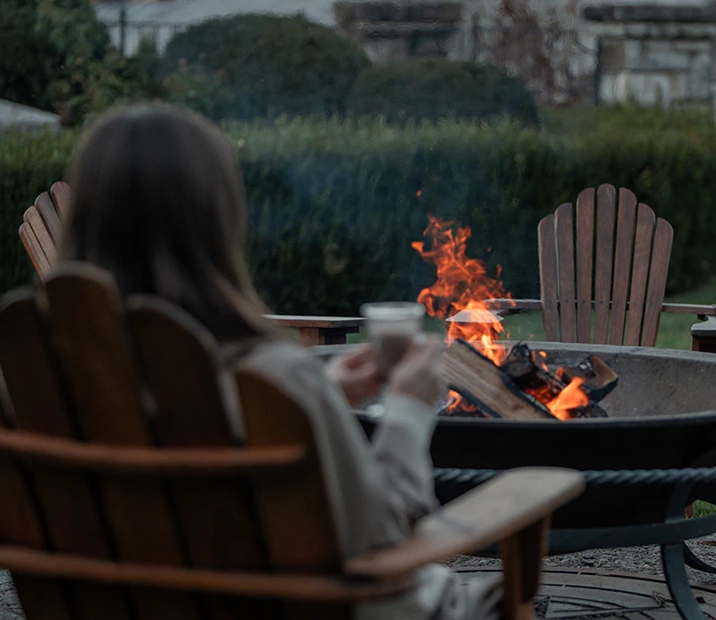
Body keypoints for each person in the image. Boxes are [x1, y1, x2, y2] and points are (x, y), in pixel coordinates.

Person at [57, 103, 500, 620]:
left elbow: (202, 423)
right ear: (219, 223)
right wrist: (407, 411)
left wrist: (319, 394)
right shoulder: (276, 373)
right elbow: (383, 531)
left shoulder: (60, 384)